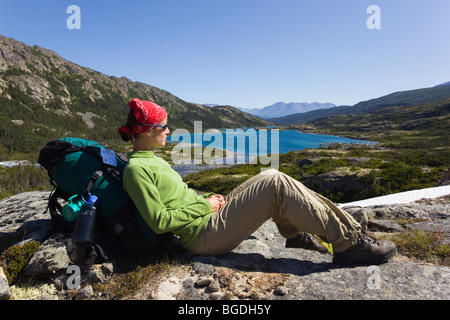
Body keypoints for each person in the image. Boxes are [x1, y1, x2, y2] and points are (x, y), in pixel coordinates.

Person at [118, 98, 397, 266]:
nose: (168, 130)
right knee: (274, 186)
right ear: (144, 131)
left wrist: (204, 200)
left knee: (270, 174)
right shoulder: (136, 170)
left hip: (206, 219)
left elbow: (175, 199)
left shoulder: (152, 158)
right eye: (162, 127)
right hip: (203, 237)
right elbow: (159, 220)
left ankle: (296, 235)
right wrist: (206, 208)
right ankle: (349, 243)